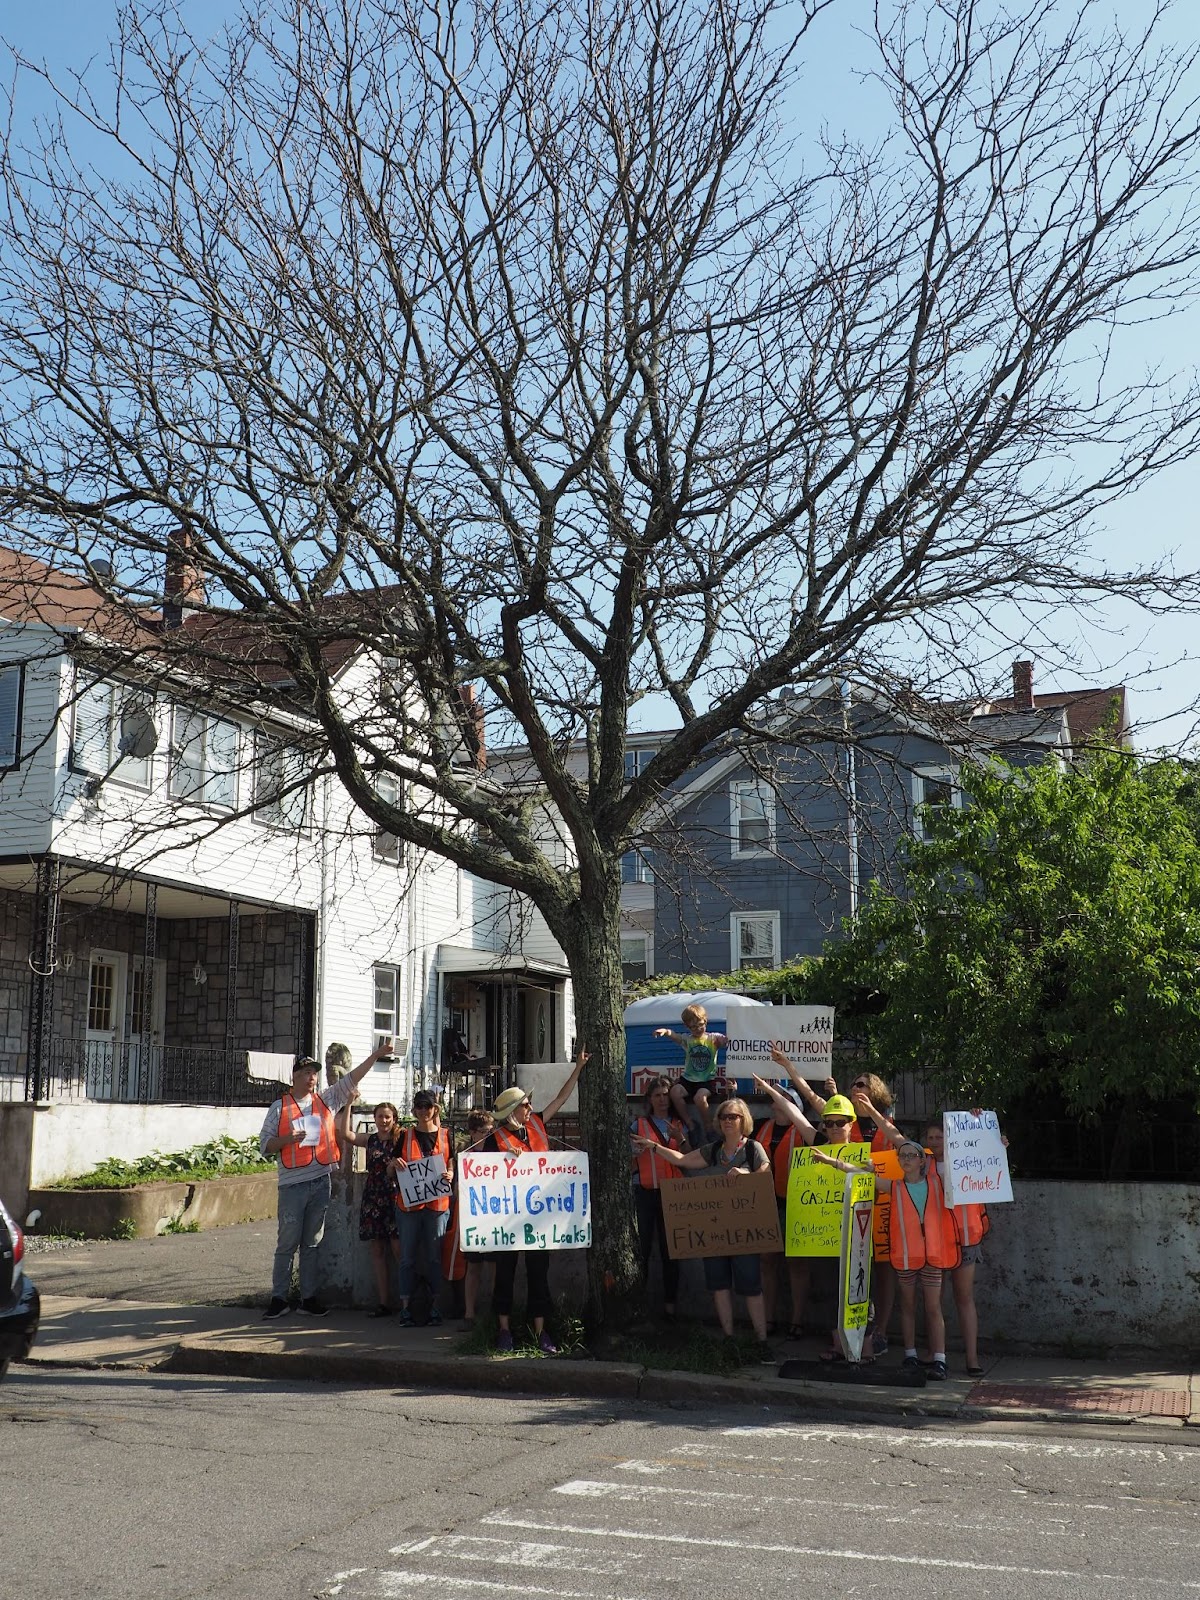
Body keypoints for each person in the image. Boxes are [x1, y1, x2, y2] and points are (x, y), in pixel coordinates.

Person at [632, 1096, 774, 1362]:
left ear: (744, 1120)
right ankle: (729, 1339)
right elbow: (683, 1160)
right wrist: (654, 1147)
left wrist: (746, 1176)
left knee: (751, 1286)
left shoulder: (753, 1149)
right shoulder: (714, 1149)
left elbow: (766, 1175)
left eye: (734, 1116)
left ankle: (761, 1341)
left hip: (745, 1232)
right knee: (719, 1285)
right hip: (716, 1231)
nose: (728, 1121)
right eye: (723, 1117)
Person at [259, 1042, 391, 1318]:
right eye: (307, 1072)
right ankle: (279, 1298)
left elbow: (352, 1078)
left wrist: (376, 1055)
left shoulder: (326, 1100)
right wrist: (286, 1140)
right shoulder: (279, 1107)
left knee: (312, 1244)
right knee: (287, 1243)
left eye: (314, 1073)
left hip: (320, 1181)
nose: (312, 1078)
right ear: (294, 1076)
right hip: (292, 1185)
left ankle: (308, 1298)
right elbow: (265, 1145)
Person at [811, 1137, 960, 1379]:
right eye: (902, 1156)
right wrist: (830, 1161)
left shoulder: (938, 1183)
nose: (906, 1159)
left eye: (912, 1155)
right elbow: (861, 1173)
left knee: (933, 1308)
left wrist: (998, 1146)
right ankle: (910, 1355)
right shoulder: (896, 1187)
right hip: (906, 1258)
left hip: (932, 1257)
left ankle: (940, 1359)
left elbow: (971, 1169)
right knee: (908, 1307)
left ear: (923, 1160)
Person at [481, 1047, 589, 1353]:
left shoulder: (538, 1124)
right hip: (507, 1220)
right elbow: (482, 1176)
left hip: (538, 1218)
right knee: (504, 1273)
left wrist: (578, 1068)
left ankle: (541, 1332)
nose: (531, 1107)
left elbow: (561, 1098)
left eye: (529, 1104)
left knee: (538, 1274)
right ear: (513, 1110)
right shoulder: (495, 1139)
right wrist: (503, 1158)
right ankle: (503, 1331)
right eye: (526, 1104)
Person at [751, 1071, 817, 1339]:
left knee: (797, 1263)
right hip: (768, 1204)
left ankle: (797, 1321)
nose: (775, 1102)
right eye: (775, 1098)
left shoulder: (805, 1133)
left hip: (798, 1206)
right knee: (767, 1261)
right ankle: (768, 1320)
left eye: (783, 1098)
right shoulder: (760, 1127)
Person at [390, 1089, 454, 1327]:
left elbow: (451, 1161)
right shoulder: (405, 1136)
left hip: (437, 1206)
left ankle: (435, 1307)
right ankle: (406, 1309)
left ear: (435, 1109)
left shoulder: (447, 1135)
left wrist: (450, 1173)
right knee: (407, 1259)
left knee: (434, 1258)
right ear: (414, 1110)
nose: (424, 1111)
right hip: (409, 1208)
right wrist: (393, 1164)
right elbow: (391, 1168)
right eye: (420, 1106)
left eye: (428, 1107)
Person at [629, 1075, 689, 1321]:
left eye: (666, 1094)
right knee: (641, 1251)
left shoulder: (679, 1123)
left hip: (672, 1194)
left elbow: (690, 1157)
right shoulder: (638, 1125)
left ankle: (670, 1308)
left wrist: (680, 1137)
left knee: (671, 1252)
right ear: (649, 1100)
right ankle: (638, 1307)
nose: (663, 1099)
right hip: (643, 1192)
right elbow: (628, 1157)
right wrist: (632, 1151)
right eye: (657, 1095)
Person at [338, 1098, 402, 1317]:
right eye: (379, 1116)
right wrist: (348, 1106)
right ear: (374, 1119)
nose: (383, 1120)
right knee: (377, 1250)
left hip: (395, 1196)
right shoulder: (371, 1139)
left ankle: (406, 1301)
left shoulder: (401, 1138)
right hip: (374, 1197)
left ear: (394, 1119)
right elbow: (346, 1134)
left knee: (398, 1249)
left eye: (387, 1117)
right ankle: (383, 1303)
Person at [653, 1002, 727, 1132]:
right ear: (687, 1027)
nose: (698, 1029)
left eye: (700, 1025)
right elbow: (675, 1036)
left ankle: (708, 1124)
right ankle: (689, 1122)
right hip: (688, 1079)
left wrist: (724, 1041)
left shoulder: (712, 1038)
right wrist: (666, 1031)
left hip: (706, 1080)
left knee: (700, 1098)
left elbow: (726, 1041)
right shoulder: (687, 1039)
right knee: (675, 1092)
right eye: (693, 1027)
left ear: (706, 1022)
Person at [459, 1107, 495, 1330]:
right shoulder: (466, 1155)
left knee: (494, 1266)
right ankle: (469, 1313)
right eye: (485, 1131)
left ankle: (493, 1311)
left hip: (495, 1217)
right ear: (473, 1132)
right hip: (474, 1218)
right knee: (473, 1267)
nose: (490, 1135)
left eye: (492, 1130)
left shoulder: (498, 1152)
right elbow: (458, 1189)